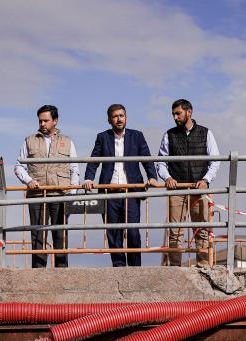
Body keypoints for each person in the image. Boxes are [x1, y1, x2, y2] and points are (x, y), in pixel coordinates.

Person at [84, 104, 159, 267]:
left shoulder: (137, 136)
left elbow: (147, 159)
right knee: (113, 232)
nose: (119, 119)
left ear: (126, 117)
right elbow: (93, 161)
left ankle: (135, 269)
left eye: (122, 115)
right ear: (109, 120)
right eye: (115, 116)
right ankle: (119, 268)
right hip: (110, 192)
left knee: (133, 232)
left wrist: (152, 177)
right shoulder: (102, 137)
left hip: (131, 191)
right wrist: (88, 179)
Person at [154, 99, 220, 267]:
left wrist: (206, 180)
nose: (175, 117)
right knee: (175, 232)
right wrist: (167, 178)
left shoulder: (206, 133)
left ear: (189, 112)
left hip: (200, 189)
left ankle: (204, 268)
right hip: (177, 189)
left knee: (202, 231)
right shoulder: (169, 134)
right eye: (173, 114)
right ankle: (175, 270)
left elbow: (215, 161)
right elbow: (161, 162)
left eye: (178, 113)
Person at [15, 104, 80, 268]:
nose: (42, 124)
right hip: (37, 197)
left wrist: (72, 195)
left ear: (55, 121)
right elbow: (19, 166)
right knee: (38, 236)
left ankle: (62, 272)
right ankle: (38, 273)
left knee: (61, 236)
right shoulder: (29, 140)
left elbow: (74, 169)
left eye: (46, 120)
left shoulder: (67, 142)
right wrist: (28, 180)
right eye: (40, 121)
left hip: (61, 196)